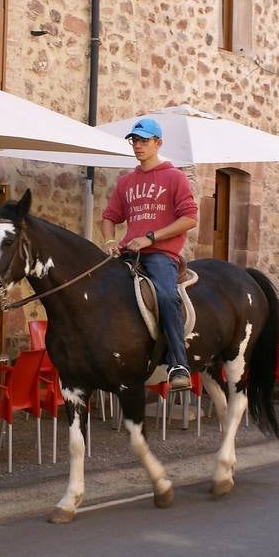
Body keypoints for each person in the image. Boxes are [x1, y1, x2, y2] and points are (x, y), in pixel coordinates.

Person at [100, 117, 199, 388]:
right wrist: (110, 241)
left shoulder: (174, 176)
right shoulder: (126, 181)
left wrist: (150, 237)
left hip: (160, 255)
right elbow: (109, 217)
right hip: (128, 253)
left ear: (158, 143)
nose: (138, 146)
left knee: (167, 296)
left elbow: (190, 218)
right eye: (135, 140)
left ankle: (179, 364)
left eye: (144, 141)